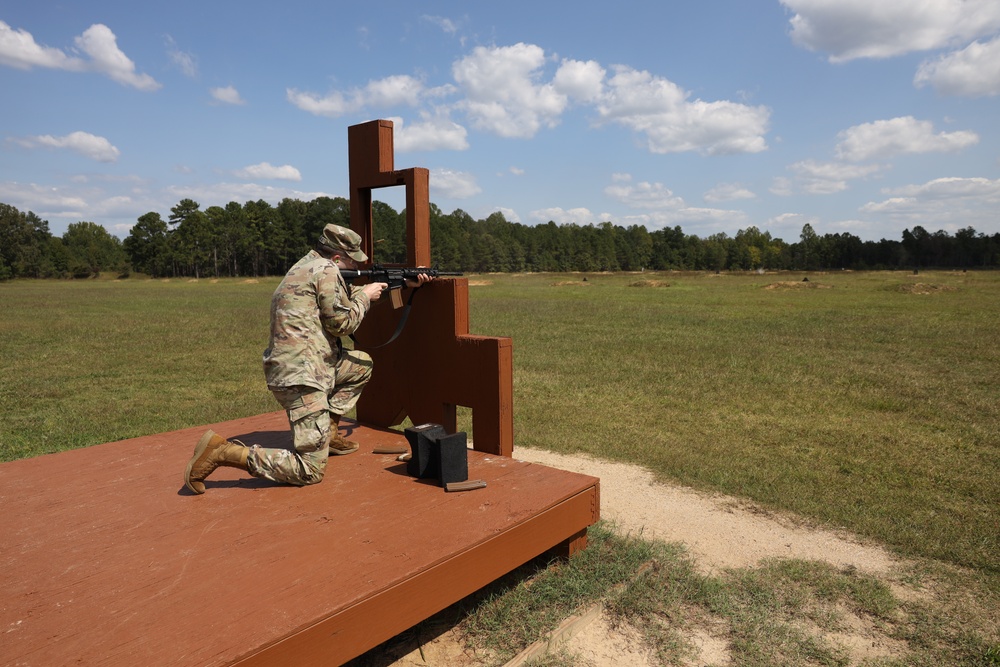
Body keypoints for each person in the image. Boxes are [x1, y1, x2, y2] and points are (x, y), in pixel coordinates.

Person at [183, 224, 431, 494]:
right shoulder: (325, 271)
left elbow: (340, 303)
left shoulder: (307, 266)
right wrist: (364, 294)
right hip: (302, 376)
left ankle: (330, 434)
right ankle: (223, 452)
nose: (355, 266)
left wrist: (402, 284)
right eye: (351, 261)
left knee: (360, 365)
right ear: (337, 259)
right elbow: (342, 323)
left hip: (309, 366)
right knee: (309, 470)